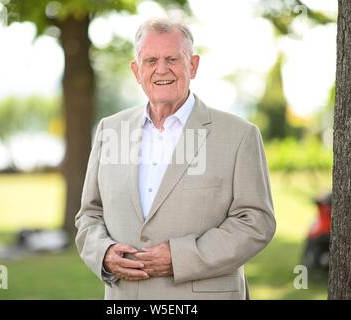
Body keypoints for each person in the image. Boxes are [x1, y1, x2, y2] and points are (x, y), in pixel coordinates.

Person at [75, 17, 276, 300]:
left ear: (192, 66)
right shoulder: (110, 130)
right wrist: (104, 253)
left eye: (172, 58)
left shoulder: (240, 135)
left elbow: (256, 222)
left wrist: (181, 257)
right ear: (136, 70)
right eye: (150, 60)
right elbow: (90, 214)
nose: (161, 69)